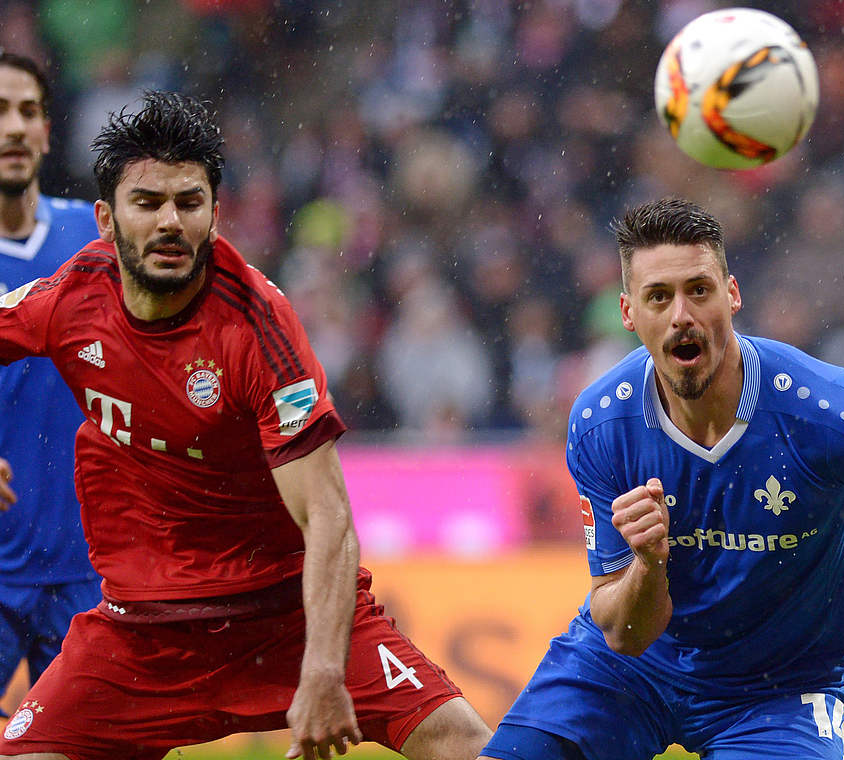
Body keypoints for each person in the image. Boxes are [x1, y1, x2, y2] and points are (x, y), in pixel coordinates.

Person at [0, 91, 492, 760]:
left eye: (189, 202)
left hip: (285, 615)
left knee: (462, 740)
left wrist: (322, 671)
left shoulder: (258, 325)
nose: (170, 221)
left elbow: (328, 517)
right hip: (142, 633)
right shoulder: (69, 298)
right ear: (106, 221)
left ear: (214, 214)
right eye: (147, 203)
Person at [477, 197, 844, 760]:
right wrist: (649, 562)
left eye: (699, 289)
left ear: (732, 295)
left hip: (780, 692)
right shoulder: (603, 424)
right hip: (630, 672)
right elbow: (624, 632)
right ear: (628, 313)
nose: (681, 316)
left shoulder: (825, 413)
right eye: (658, 297)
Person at [0, 52, 100, 717]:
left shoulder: (95, 239)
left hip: (87, 568)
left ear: (46, 129)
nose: (12, 127)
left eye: (27, 111)